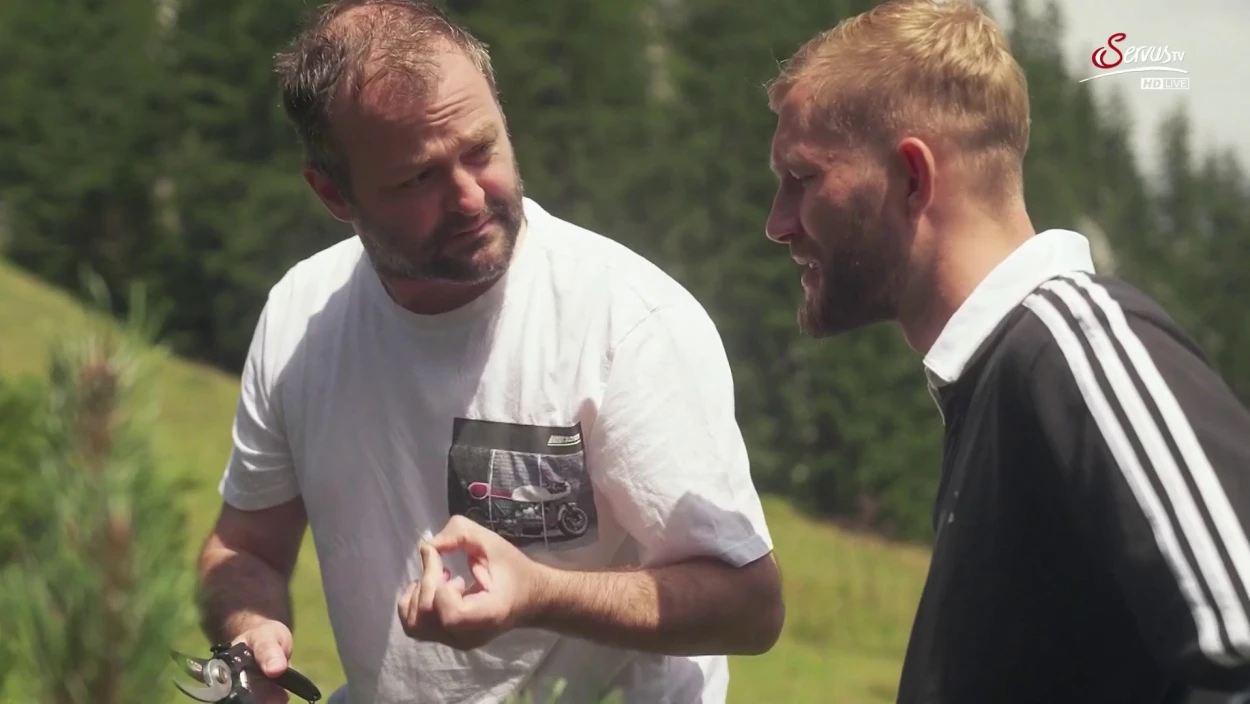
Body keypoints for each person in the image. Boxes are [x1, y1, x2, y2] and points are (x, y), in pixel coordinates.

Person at [193, 1, 784, 703]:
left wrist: (538, 593)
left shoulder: (625, 323)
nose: (470, 197)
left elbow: (748, 605)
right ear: (333, 194)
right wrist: (250, 630)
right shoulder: (301, 318)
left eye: (482, 149)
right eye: (418, 179)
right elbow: (244, 551)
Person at [761, 0, 1250, 702]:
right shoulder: (1003, 384)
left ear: (912, 178)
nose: (776, 225)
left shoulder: (1074, 345)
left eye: (802, 179)